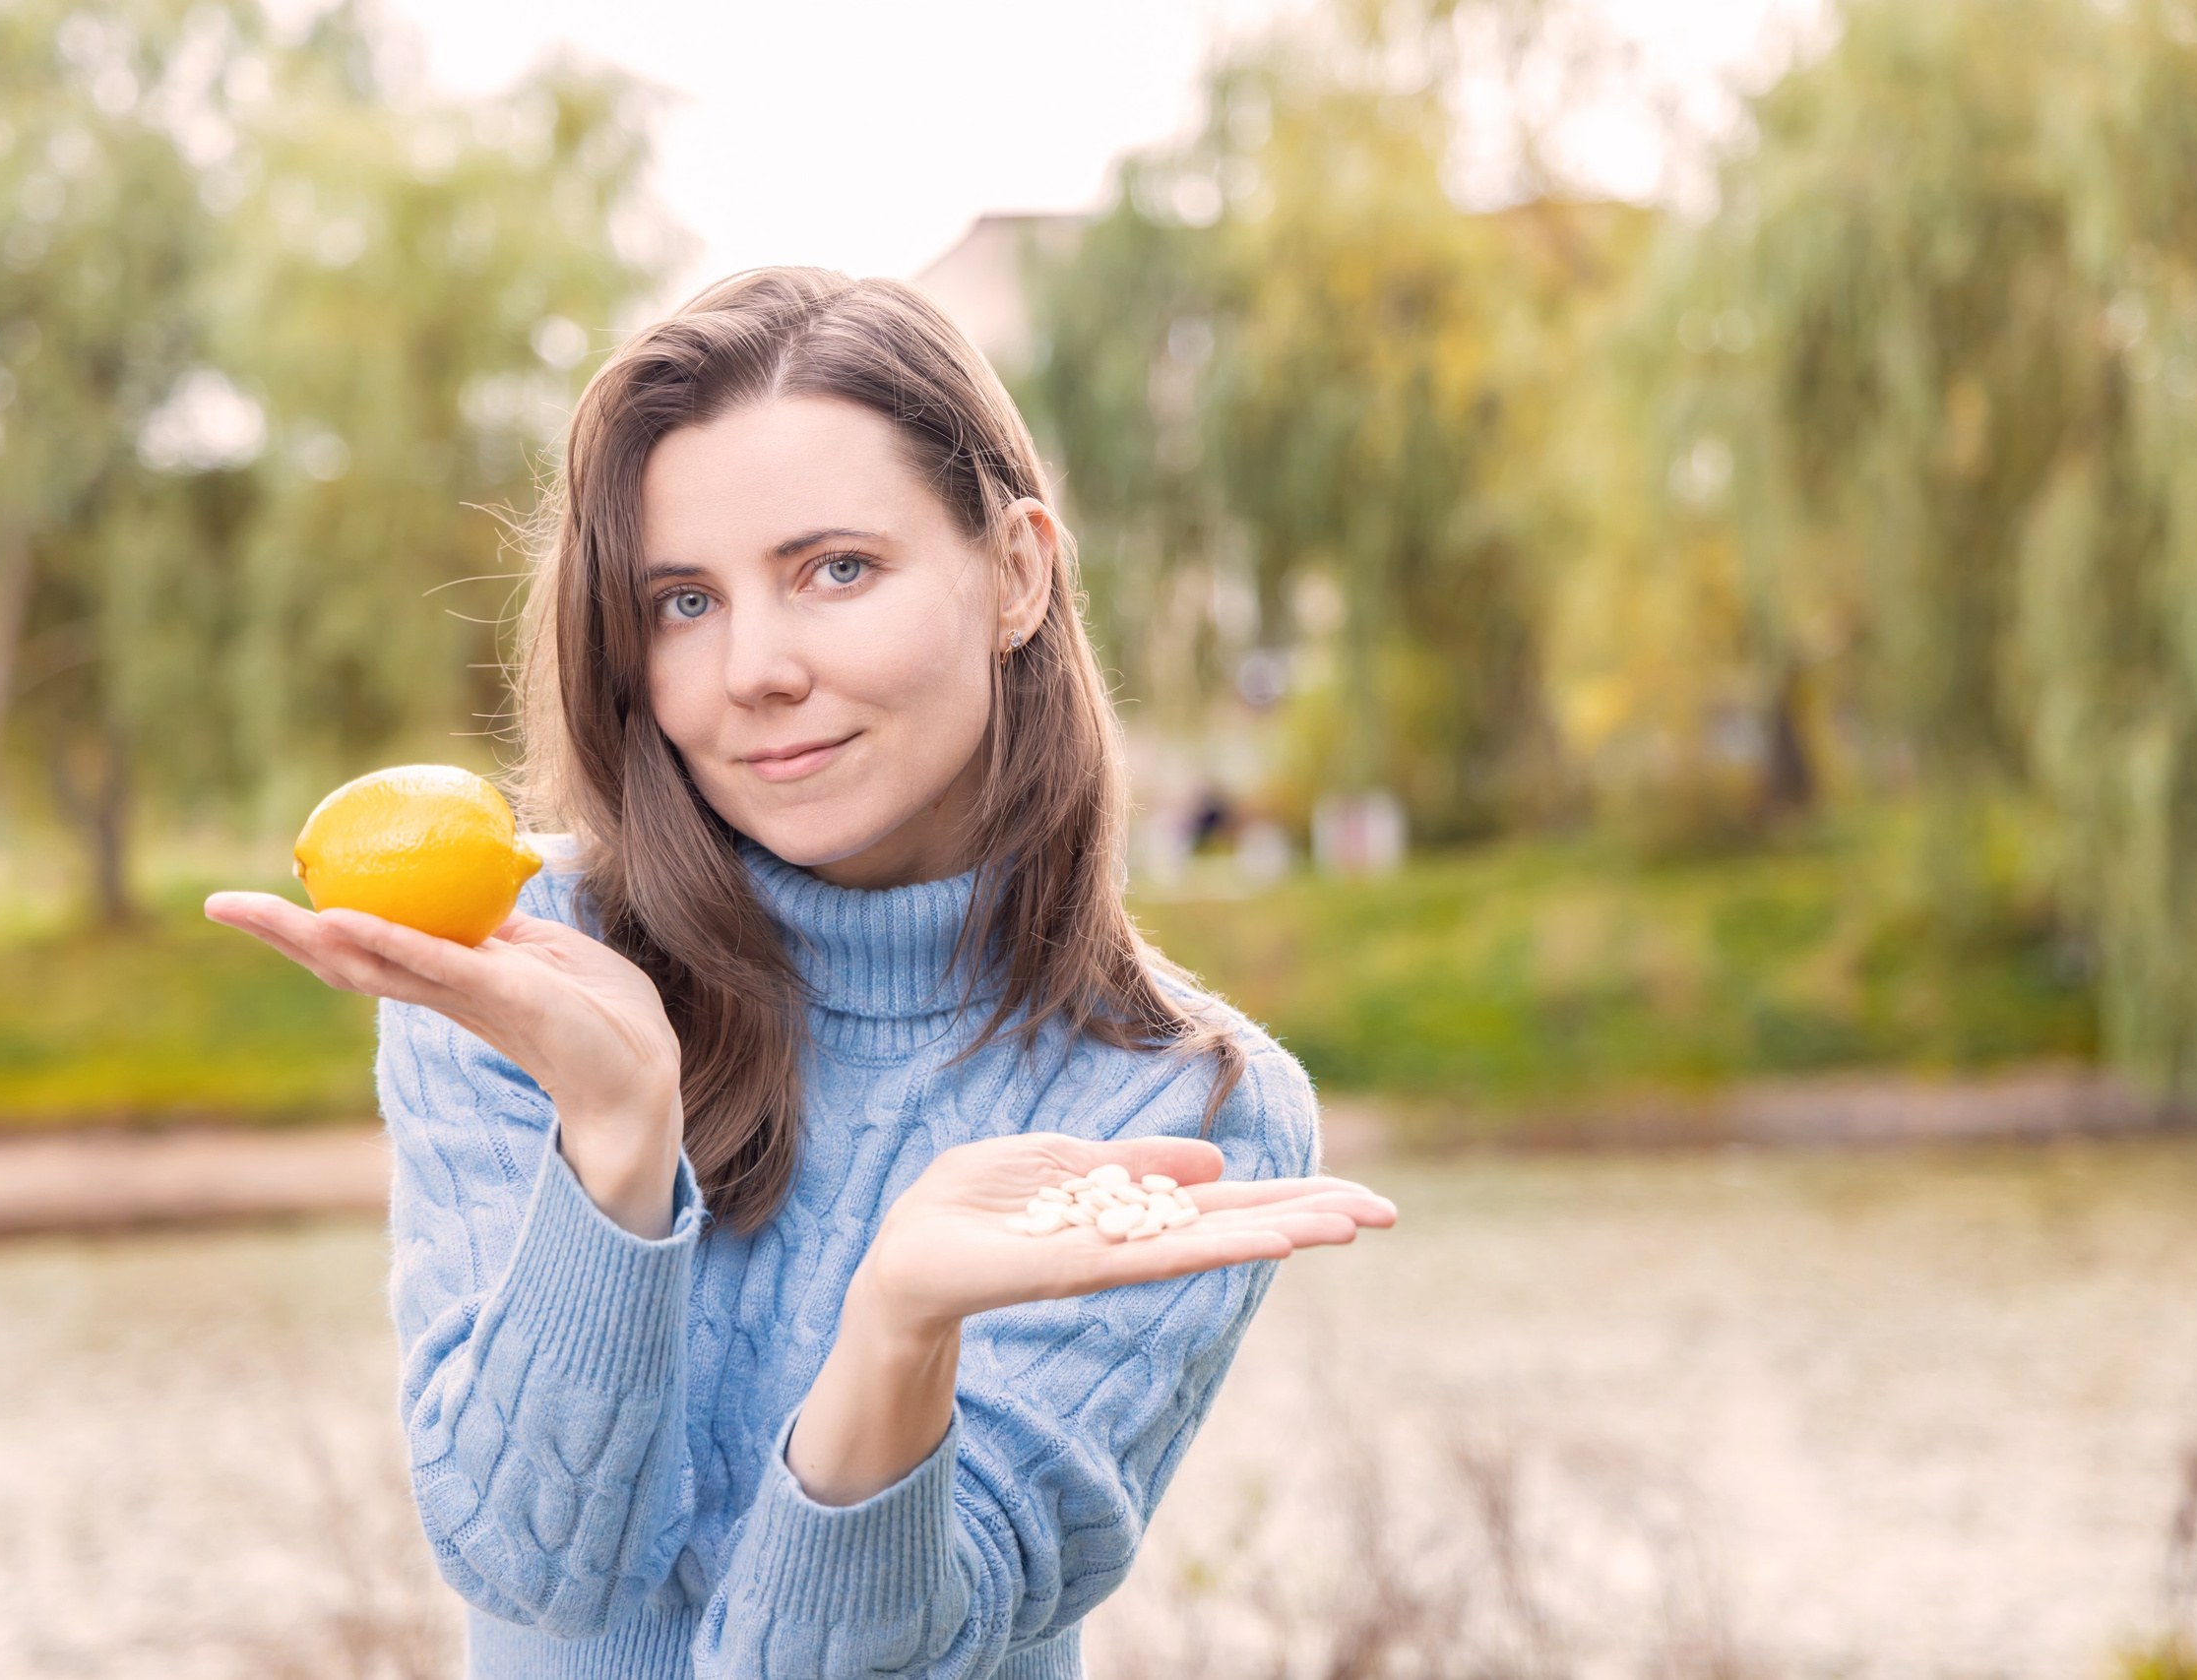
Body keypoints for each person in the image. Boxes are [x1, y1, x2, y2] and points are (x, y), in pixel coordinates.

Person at [204, 266, 1397, 1679]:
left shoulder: (1182, 1110)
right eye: (685, 602)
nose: (755, 668)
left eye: (835, 569)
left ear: (1016, 571)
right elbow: (531, 1566)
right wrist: (615, 1154)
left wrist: (897, 1339)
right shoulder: (523, 976)